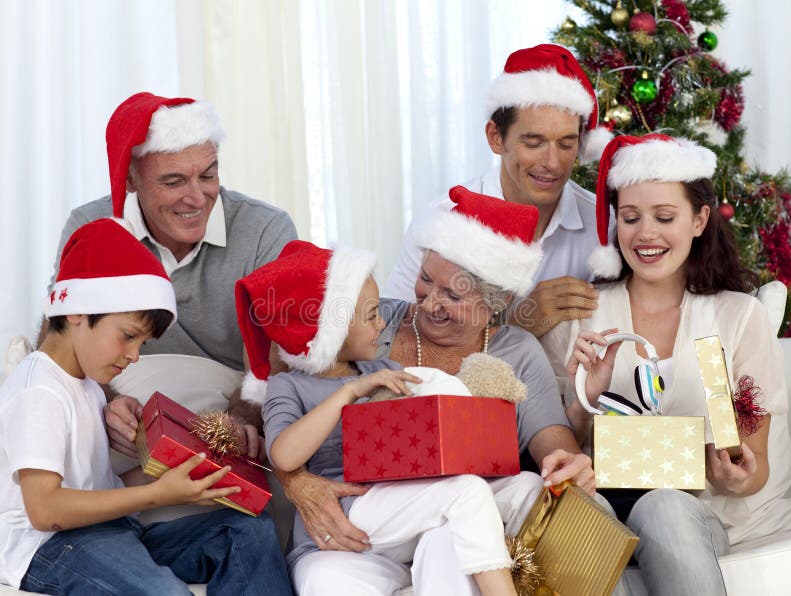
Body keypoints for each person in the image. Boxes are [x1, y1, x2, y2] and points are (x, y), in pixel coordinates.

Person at [253, 187, 596, 594]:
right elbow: (292, 355)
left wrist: (570, 459)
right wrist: (296, 482)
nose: (429, 302)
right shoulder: (371, 330)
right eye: (425, 279)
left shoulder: (515, 350)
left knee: (516, 492)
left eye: (453, 294)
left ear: (497, 301)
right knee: (325, 579)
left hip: (448, 520)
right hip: (368, 520)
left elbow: (552, 447)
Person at [540, 134, 791, 595]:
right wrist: (588, 397)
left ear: (700, 220)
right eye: (630, 218)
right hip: (607, 509)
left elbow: (753, 466)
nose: (646, 235)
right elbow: (556, 451)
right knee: (585, 524)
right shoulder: (585, 314)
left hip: (707, 517)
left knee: (664, 505)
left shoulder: (737, 316)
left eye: (664, 217)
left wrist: (735, 476)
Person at [0, 218, 292, 595]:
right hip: (48, 548)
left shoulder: (85, 382)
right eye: (128, 337)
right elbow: (46, 510)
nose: (134, 356)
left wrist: (180, 468)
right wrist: (160, 494)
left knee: (246, 531)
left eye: (142, 343)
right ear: (75, 312)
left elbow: (101, 490)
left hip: (110, 530)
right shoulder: (38, 391)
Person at [47, 92, 297, 472]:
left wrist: (244, 417)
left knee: (246, 529)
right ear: (131, 178)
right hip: (122, 414)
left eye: (208, 174)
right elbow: (56, 342)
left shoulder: (265, 229)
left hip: (225, 413)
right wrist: (106, 402)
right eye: (174, 180)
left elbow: (278, 359)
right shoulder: (91, 228)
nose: (196, 198)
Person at [384, 44, 614, 338]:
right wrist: (512, 325)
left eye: (567, 144)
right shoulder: (443, 220)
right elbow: (394, 337)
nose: (552, 163)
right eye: (533, 143)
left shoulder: (603, 225)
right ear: (496, 138)